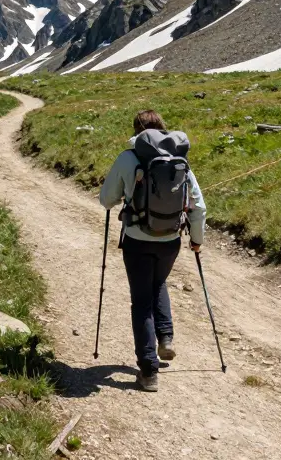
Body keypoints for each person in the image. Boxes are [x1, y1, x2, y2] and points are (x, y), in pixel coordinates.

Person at [98, 109, 206, 392]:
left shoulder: (128, 157)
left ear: (137, 132)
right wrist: (196, 240)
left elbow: (107, 199)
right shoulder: (179, 160)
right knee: (159, 282)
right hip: (170, 240)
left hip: (137, 238)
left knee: (141, 300)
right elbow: (199, 206)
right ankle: (165, 338)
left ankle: (148, 370)